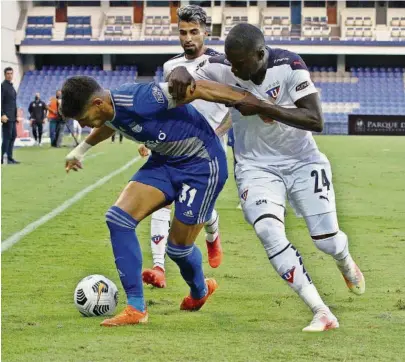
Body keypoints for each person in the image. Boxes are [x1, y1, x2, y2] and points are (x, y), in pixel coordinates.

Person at [168, 23, 365, 332]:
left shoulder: (289, 64)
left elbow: (315, 119)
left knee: (327, 241)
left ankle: (344, 259)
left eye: (240, 62)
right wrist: (177, 74)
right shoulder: (223, 66)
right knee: (268, 230)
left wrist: (261, 106)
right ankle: (321, 311)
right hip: (255, 167)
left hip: (302, 160)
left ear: (260, 54)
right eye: (231, 61)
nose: (234, 68)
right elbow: (186, 75)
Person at [61, 75, 255, 327]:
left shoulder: (141, 97)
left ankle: (199, 291)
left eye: (84, 119)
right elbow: (111, 124)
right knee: (118, 219)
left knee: (177, 249)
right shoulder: (108, 110)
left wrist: (247, 99)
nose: (85, 125)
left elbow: (199, 88)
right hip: (165, 163)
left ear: (98, 103)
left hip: (202, 164)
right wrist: (80, 150)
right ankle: (136, 308)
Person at [140, 5, 232, 289]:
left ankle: (212, 235)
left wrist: (217, 133)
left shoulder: (221, 65)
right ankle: (158, 267)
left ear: (206, 32)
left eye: (194, 32)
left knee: (195, 208)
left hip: (208, 152)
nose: (188, 38)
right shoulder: (171, 67)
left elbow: (236, 106)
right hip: (175, 145)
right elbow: (166, 106)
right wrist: (149, 138)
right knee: (161, 201)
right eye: (183, 32)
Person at [1, 67, 19, 164]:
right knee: (7, 137)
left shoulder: (11, 86)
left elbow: (13, 103)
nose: (10, 75)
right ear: (5, 74)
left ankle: (10, 158)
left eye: (11, 73)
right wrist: (2, 114)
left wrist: (16, 116)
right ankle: (3, 158)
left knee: (13, 136)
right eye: (8, 73)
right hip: (6, 117)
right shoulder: (3, 86)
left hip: (12, 117)